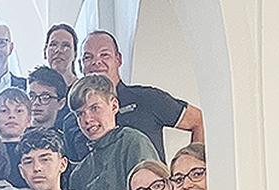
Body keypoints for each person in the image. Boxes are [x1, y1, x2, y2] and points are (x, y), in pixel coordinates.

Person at [80, 29, 205, 157]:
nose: (96, 62)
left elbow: (198, 121)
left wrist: (192, 165)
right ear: (80, 65)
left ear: (118, 59)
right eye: (88, 57)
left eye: (104, 55)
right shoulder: (76, 118)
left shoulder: (147, 99)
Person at [67, 75, 160, 190]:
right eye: (80, 114)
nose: (87, 119)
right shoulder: (79, 174)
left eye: (94, 108)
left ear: (114, 106)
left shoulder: (133, 143)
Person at [0, 86, 34, 156]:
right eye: (4, 110)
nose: (12, 115)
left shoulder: (35, 151)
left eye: (19, 111)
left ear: (29, 119)